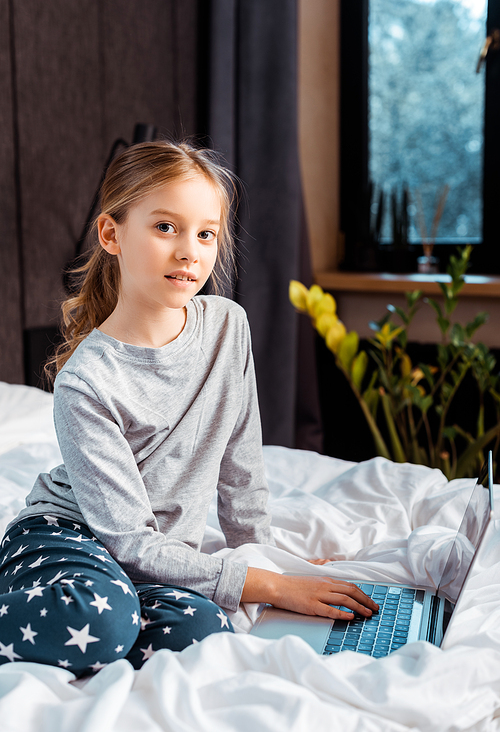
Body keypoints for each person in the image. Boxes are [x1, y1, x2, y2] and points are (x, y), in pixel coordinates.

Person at [0, 140, 377, 676]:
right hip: (68, 535)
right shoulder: (86, 381)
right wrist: (272, 586)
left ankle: (111, 618)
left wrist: (263, 563)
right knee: (103, 623)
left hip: (151, 557)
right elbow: (127, 537)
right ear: (112, 234)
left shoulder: (228, 326)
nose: (190, 252)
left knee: (204, 633)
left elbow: (241, 467)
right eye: (165, 228)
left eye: (206, 233)